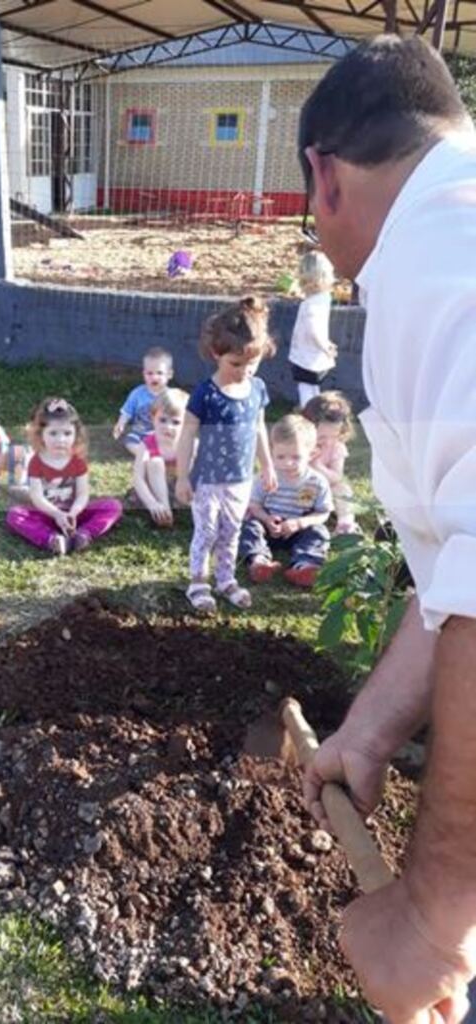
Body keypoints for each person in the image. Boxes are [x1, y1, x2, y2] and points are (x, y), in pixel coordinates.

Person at [298, 34, 476, 1023]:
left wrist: (434, 915)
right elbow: (456, 559)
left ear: (324, 175)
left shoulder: (436, 262)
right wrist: (367, 730)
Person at [175, 297, 276, 612]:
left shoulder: (256, 389)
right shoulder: (206, 393)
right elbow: (188, 434)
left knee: (231, 532)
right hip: (208, 480)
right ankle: (198, 582)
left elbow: (259, 427)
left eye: (252, 364)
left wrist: (268, 465)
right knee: (206, 532)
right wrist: (182, 476)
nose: (245, 372)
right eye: (236, 364)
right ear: (217, 354)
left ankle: (226, 579)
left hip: (241, 479)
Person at [7, 397, 122, 555]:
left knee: (112, 506)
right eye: (53, 433)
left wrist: (72, 513)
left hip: (75, 513)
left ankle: (84, 534)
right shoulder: (36, 462)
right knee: (15, 514)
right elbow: (37, 497)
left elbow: (83, 493)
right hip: (47, 513)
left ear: (76, 435)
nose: (60, 440)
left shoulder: (78, 462)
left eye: (67, 433)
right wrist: (56, 514)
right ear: (41, 435)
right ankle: (51, 539)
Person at [239, 414, 332, 588]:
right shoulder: (265, 477)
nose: (288, 463)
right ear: (271, 451)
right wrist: (266, 519)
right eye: (280, 457)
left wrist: (300, 523)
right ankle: (259, 561)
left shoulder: (317, 482)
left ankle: (305, 566)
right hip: (268, 527)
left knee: (318, 532)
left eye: (296, 457)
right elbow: (254, 505)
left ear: (312, 453)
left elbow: (323, 512)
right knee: (249, 526)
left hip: (298, 531)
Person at [302, 390, 359, 534]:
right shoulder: (301, 444)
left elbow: (336, 477)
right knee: (306, 494)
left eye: (333, 436)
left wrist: (318, 466)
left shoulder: (337, 448)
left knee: (343, 489)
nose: (327, 442)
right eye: (321, 437)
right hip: (305, 488)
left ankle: (345, 523)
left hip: (328, 487)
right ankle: (304, 518)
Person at [131, 387, 189, 527]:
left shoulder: (188, 443)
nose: (168, 427)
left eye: (175, 422)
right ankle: (164, 511)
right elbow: (138, 478)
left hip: (179, 491)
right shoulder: (147, 444)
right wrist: (152, 504)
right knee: (155, 461)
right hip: (154, 492)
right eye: (163, 420)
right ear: (153, 418)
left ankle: (182, 507)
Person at [288, 250, 338, 408]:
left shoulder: (311, 304)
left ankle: (309, 414)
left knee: (306, 388)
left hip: (306, 356)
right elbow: (316, 328)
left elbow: (313, 328)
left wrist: (324, 346)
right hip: (313, 356)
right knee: (313, 388)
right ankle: (314, 413)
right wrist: (325, 345)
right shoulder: (323, 299)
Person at [113, 347, 174, 455]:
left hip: (161, 433)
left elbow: (179, 415)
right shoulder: (137, 393)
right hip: (140, 433)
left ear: (169, 374)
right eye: (149, 373)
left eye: (159, 373)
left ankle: (163, 452)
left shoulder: (171, 396)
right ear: (144, 373)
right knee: (129, 440)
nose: (154, 377)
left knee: (174, 440)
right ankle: (143, 453)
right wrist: (120, 423)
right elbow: (127, 411)